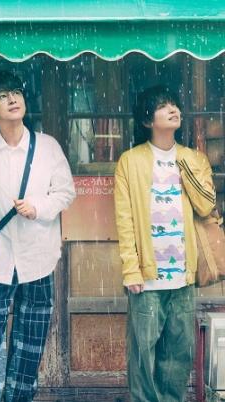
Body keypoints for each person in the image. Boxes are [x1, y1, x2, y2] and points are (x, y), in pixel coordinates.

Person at [0, 70, 75, 402]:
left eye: (16, 93)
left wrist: (38, 207)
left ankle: (20, 397)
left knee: (31, 342)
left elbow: (65, 192)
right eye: (2, 96)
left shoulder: (47, 147)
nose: (12, 99)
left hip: (38, 256)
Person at [115, 85, 215, 402]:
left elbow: (206, 206)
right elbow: (125, 220)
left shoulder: (193, 159)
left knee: (178, 351)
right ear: (147, 120)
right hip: (146, 275)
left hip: (183, 273)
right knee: (142, 352)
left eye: (174, 104)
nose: (173, 110)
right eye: (163, 106)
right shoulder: (130, 161)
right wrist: (131, 269)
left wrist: (187, 172)